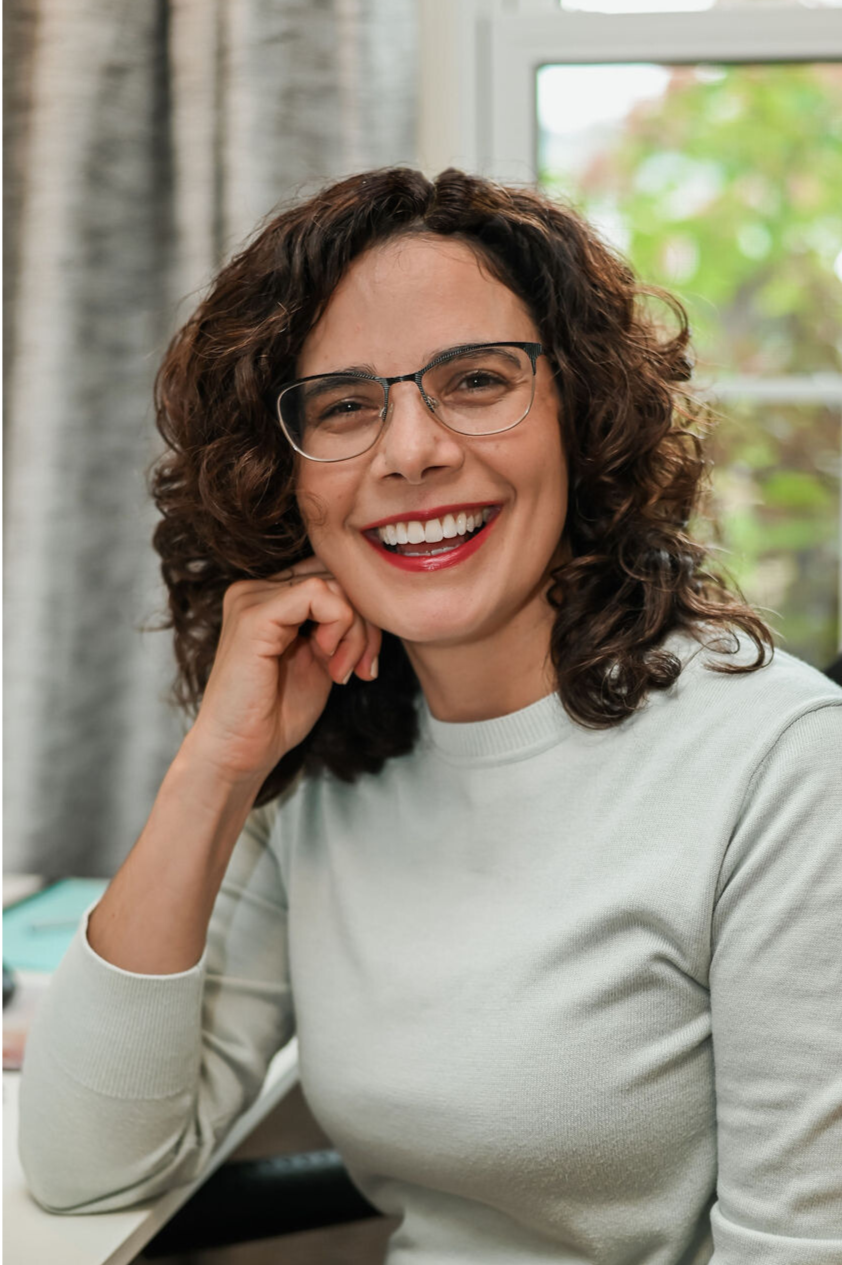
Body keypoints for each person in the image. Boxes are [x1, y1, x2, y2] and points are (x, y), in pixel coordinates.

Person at [18, 167, 842, 1264]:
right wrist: (218, 764)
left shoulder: (781, 764)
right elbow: (85, 1165)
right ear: (285, 478)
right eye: (344, 405)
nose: (411, 451)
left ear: (582, 413)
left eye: (477, 380)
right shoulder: (326, 754)